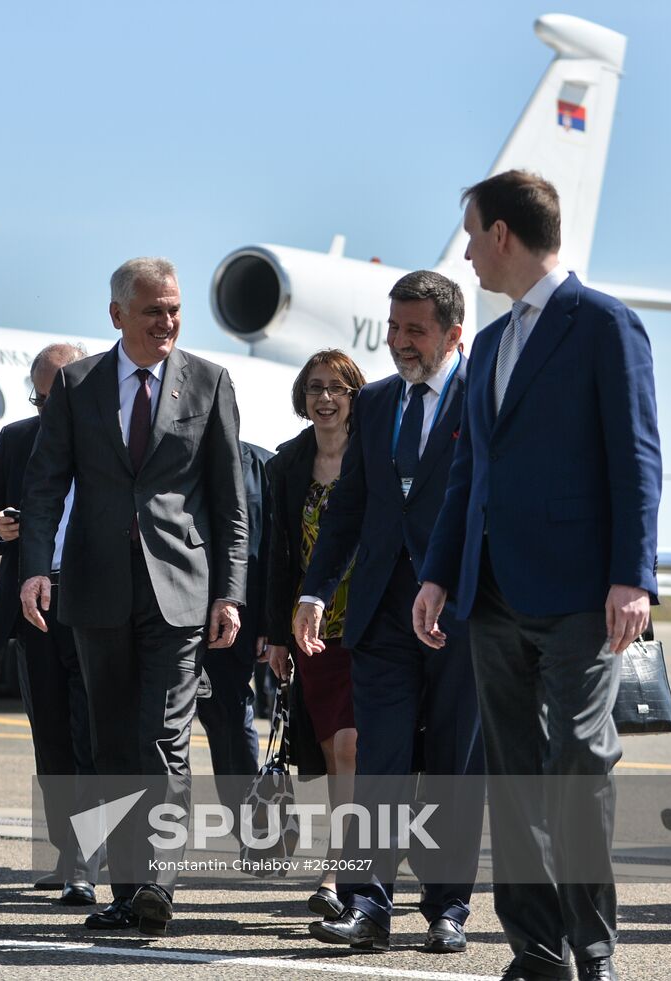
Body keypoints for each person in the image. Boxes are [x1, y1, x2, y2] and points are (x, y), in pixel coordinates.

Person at [414, 170, 662, 981]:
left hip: (578, 592)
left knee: (579, 765)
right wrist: (439, 573)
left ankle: (594, 948)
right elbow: (468, 477)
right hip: (488, 593)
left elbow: (637, 457)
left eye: (471, 234)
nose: (466, 254)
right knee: (513, 777)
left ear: (503, 236)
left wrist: (633, 574)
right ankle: (536, 949)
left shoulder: (604, 325)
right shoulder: (486, 342)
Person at [19, 257, 248, 936]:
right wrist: (36, 566)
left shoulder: (209, 381)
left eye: (174, 309)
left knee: (164, 737)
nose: (167, 322)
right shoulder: (77, 383)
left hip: (179, 587)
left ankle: (158, 880)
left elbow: (231, 502)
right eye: (153, 310)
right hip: (94, 589)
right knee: (112, 741)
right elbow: (44, 483)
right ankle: (127, 890)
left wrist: (230, 591)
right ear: (117, 314)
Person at [293, 271, 484, 955]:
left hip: (462, 612)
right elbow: (349, 508)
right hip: (379, 613)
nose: (400, 341)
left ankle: (447, 906)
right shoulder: (373, 403)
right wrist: (315, 591)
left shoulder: (483, 396)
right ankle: (367, 903)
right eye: (394, 327)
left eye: (416, 330)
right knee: (380, 760)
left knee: (454, 764)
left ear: (453, 333)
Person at [0, 341, 98, 906]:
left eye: (61, 397)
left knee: (94, 733)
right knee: (50, 734)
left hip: (99, 605)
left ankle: (92, 860)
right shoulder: (18, 439)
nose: (50, 410)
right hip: (35, 605)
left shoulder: (111, 437)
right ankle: (66, 857)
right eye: (41, 398)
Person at [264, 349, 365, 917]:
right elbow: (277, 556)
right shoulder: (287, 465)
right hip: (315, 633)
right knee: (333, 755)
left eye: (337, 388)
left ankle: (337, 872)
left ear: (355, 397)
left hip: (373, 625)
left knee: (352, 748)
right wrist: (278, 633)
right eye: (315, 387)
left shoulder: (373, 458)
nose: (325, 398)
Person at [198, 441, 272, 809]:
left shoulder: (262, 466)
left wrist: (268, 624)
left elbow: (271, 549)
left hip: (234, 617)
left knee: (228, 718)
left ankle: (251, 825)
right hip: (168, 611)